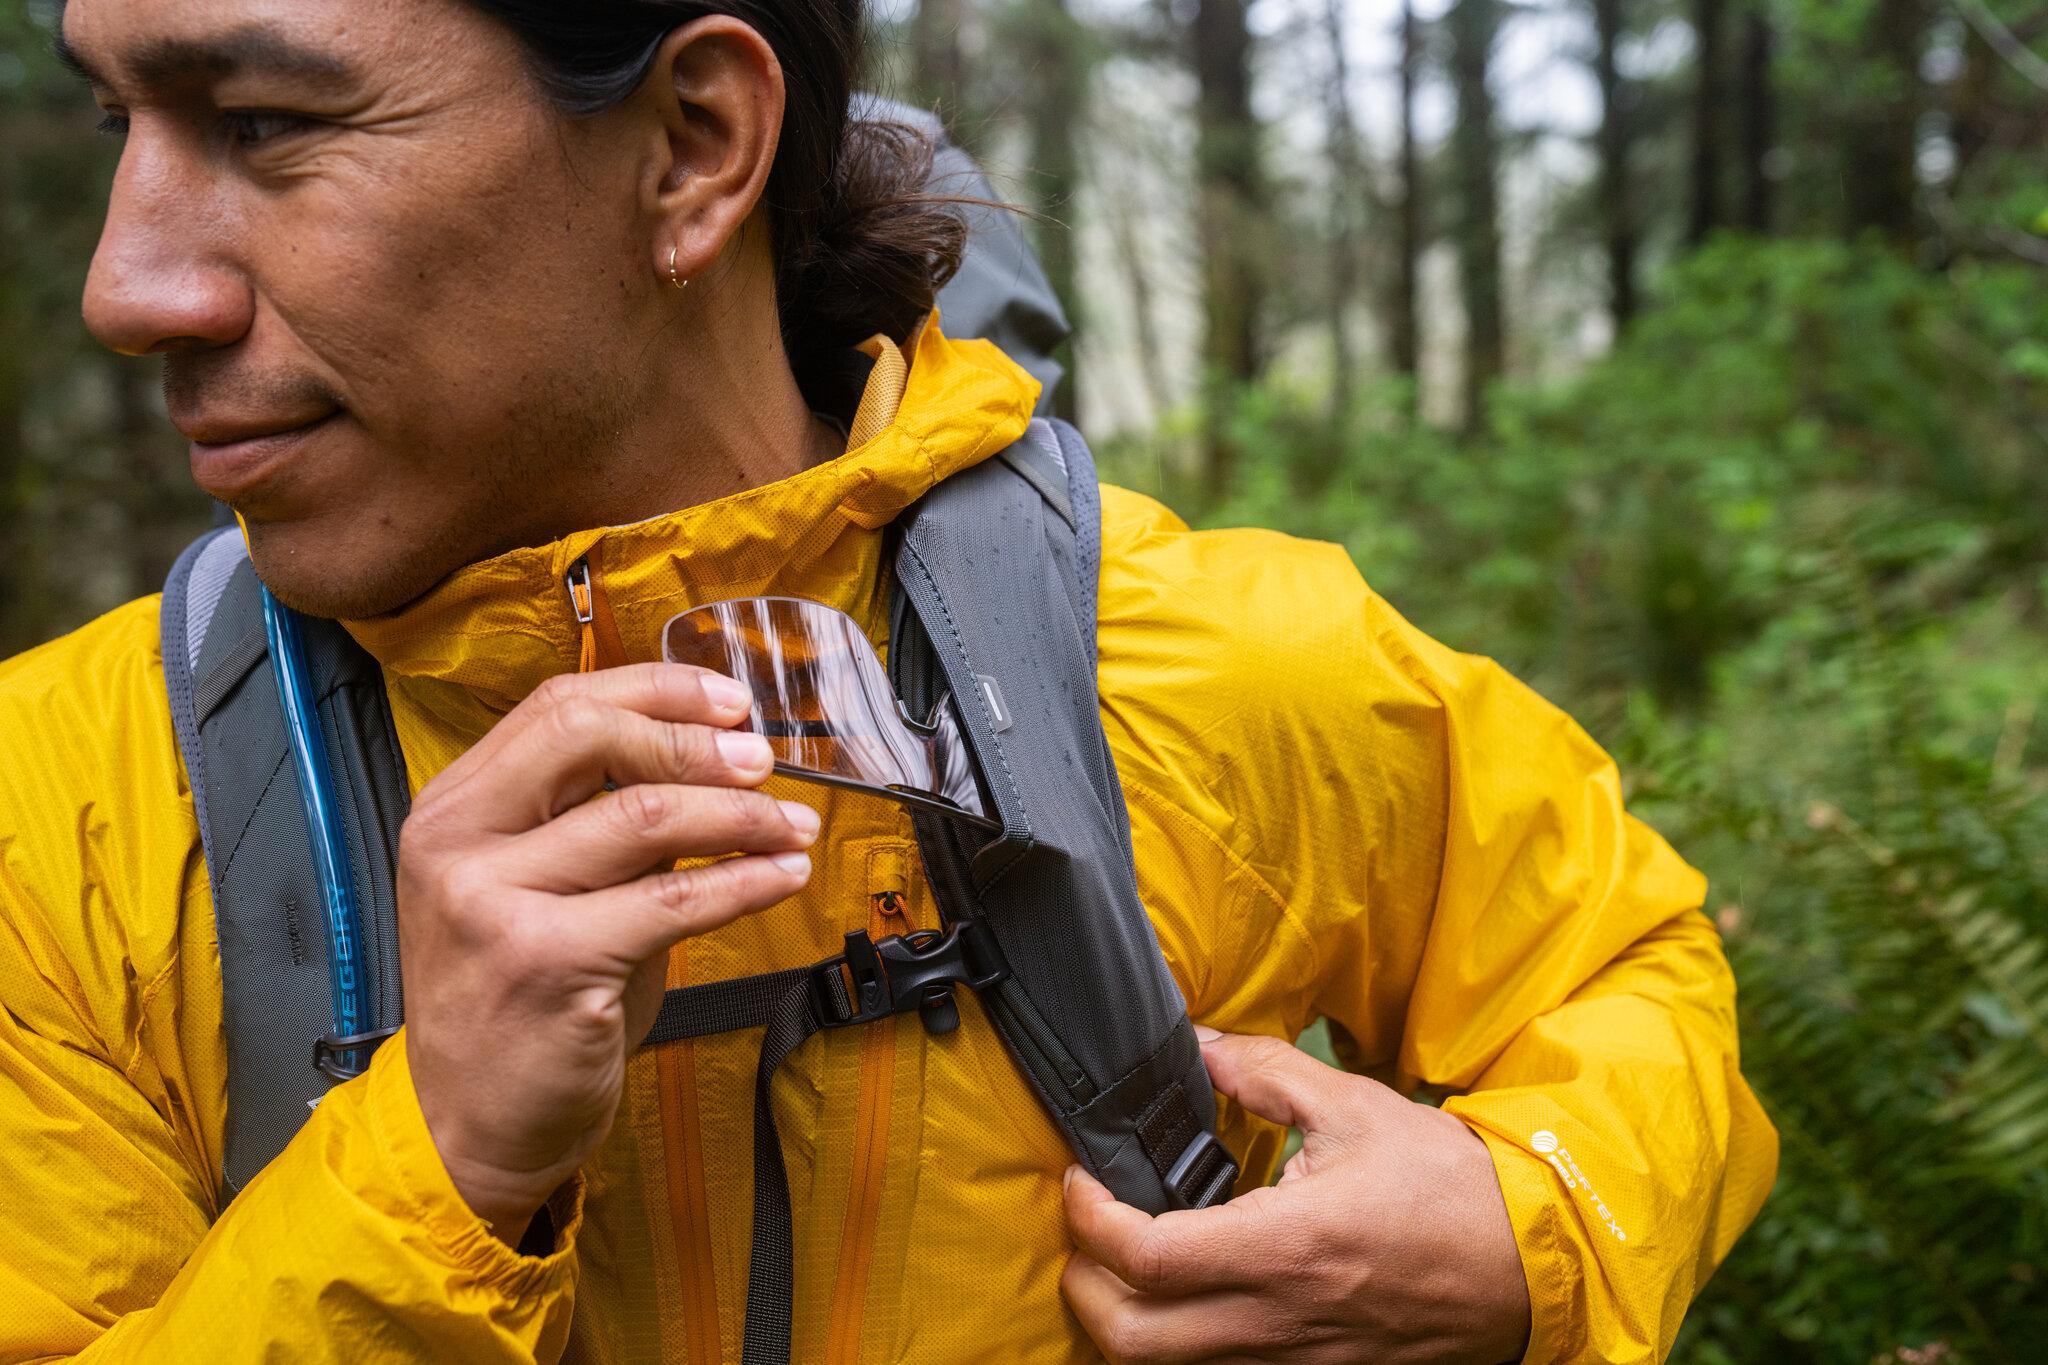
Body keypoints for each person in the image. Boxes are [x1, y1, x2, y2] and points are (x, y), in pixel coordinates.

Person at [0, 1, 1776, 1361]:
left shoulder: (1199, 667)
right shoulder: (50, 812)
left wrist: (1524, 1226)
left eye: (264, 124)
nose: (126, 283)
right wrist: (431, 1166)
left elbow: (1618, 968)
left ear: (695, 144)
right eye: (117, 121)